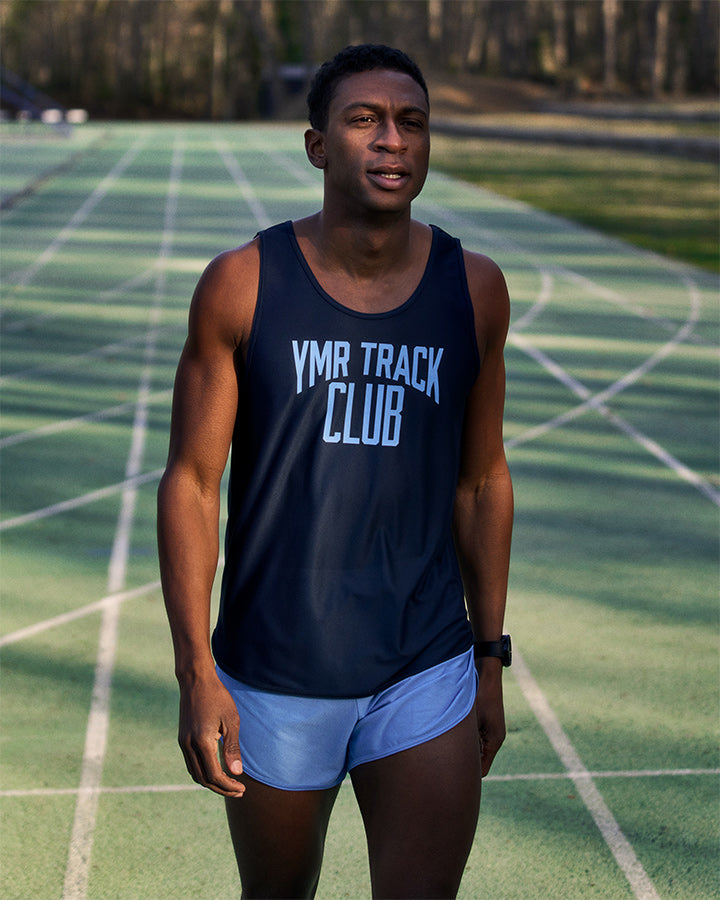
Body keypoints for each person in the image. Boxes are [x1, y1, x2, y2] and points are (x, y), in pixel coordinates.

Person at [157, 43, 513, 899]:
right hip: (275, 668)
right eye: (365, 120)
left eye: (412, 123)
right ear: (318, 146)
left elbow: (482, 482)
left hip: (423, 665)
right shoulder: (242, 284)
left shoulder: (474, 289)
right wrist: (197, 671)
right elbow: (193, 485)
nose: (392, 140)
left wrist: (489, 659)